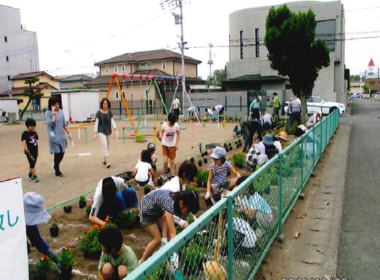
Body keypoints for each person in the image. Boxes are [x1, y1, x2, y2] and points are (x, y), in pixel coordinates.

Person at [139, 190, 200, 263]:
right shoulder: (170, 204)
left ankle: (165, 260)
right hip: (147, 210)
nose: (187, 213)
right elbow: (173, 233)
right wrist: (174, 253)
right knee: (157, 239)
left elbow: (166, 218)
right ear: (181, 203)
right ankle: (142, 261)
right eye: (188, 210)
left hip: (158, 209)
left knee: (167, 236)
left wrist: (164, 237)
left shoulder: (176, 201)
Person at [160, 160, 198, 229]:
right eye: (191, 177)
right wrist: (180, 221)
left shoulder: (182, 185)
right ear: (184, 175)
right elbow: (165, 210)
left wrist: (193, 218)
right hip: (159, 212)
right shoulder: (173, 188)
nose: (192, 180)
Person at [24, 192, 60, 264]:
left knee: (25, 248)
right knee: (23, 248)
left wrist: (55, 258)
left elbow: (36, 240)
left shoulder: (28, 221)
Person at [45, 96, 72, 177]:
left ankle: (55, 165)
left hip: (61, 134)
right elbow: (51, 124)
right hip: (53, 133)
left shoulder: (60, 111)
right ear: (52, 105)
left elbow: (64, 123)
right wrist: (53, 113)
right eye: (56, 104)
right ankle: (57, 169)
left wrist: (69, 133)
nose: (57, 105)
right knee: (57, 152)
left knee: (62, 152)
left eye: (58, 103)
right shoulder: (47, 113)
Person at [94, 98, 118, 169]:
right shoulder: (99, 113)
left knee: (107, 146)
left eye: (106, 104)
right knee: (104, 146)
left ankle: (104, 159)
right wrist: (95, 132)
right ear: (102, 104)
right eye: (104, 104)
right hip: (101, 131)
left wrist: (116, 130)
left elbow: (113, 121)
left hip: (108, 131)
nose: (105, 105)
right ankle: (108, 162)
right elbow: (96, 123)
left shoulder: (110, 113)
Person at [22, 118, 39, 183]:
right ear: (28, 126)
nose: (33, 128)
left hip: (34, 150)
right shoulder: (25, 133)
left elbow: (36, 143)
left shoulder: (34, 133)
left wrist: (37, 151)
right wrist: (26, 149)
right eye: (31, 126)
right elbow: (24, 142)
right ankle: (34, 176)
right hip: (29, 151)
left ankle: (30, 174)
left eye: (34, 126)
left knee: (33, 163)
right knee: (31, 163)